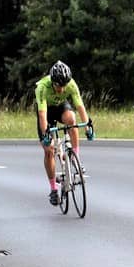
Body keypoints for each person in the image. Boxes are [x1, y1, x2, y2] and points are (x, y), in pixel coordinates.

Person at [35, 61, 91, 206]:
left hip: (60, 106)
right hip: (46, 111)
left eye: (64, 85)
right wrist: (46, 134)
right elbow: (42, 115)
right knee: (49, 150)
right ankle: (53, 189)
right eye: (59, 86)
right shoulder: (42, 87)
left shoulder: (71, 84)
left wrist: (87, 127)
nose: (62, 89)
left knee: (71, 119)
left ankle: (75, 158)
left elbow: (80, 106)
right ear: (53, 82)